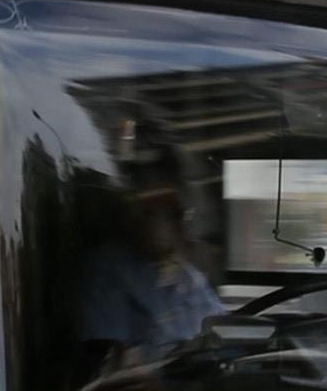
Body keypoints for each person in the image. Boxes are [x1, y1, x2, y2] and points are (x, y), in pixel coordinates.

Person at [76, 159, 225, 374]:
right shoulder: (108, 268)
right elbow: (110, 361)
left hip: (194, 384)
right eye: (162, 214)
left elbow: (218, 327)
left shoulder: (182, 271)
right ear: (136, 214)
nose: (175, 224)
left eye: (178, 215)